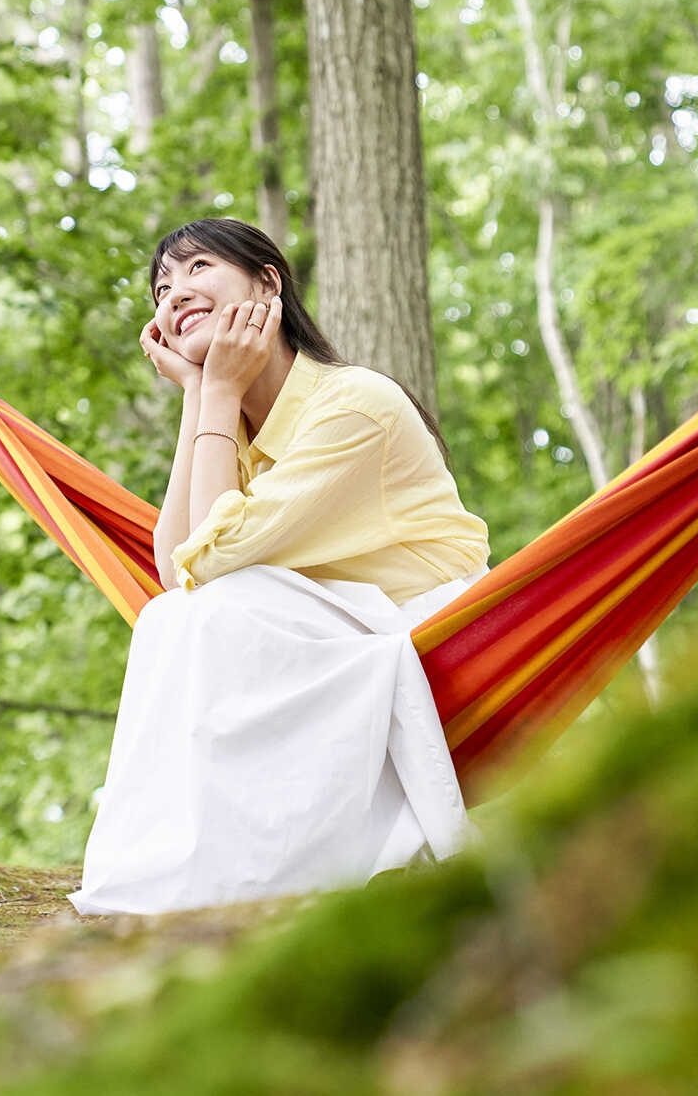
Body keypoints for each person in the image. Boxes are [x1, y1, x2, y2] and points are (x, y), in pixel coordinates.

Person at [68, 219, 490, 916]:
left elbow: (210, 562)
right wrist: (202, 397)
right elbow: (178, 573)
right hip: (331, 634)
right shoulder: (231, 425)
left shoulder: (354, 404)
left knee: (218, 606)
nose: (175, 295)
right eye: (161, 288)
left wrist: (217, 392)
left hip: (437, 636)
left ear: (268, 283)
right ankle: (177, 868)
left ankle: (263, 871)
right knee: (170, 617)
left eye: (199, 268)